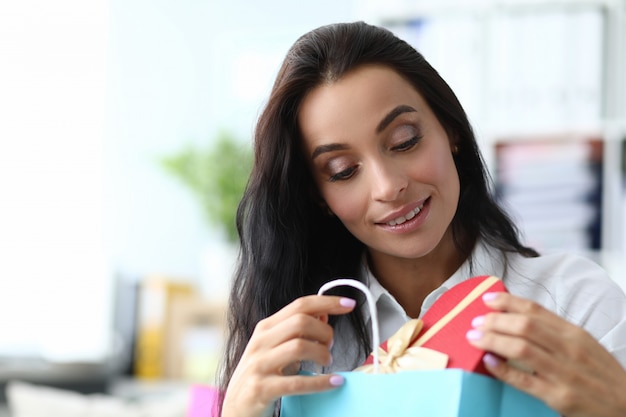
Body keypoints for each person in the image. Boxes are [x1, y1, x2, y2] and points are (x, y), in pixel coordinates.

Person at [217, 21, 626, 417]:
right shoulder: (297, 344)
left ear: (451, 129)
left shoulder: (573, 304)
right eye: (342, 170)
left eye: (404, 140)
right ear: (319, 196)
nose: (388, 186)